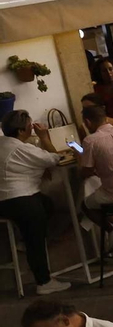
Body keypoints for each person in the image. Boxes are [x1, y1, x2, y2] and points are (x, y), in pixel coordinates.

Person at [0, 111, 66, 294]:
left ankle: (25, 238)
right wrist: (45, 137)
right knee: (35, 235)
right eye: (30, 126)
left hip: (3, 202)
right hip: (20, 200)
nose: (32, 129)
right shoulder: (21, 148)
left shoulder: (3, 143)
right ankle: (44, 282)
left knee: (47, 204)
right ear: (22, 130)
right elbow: (54, 159)